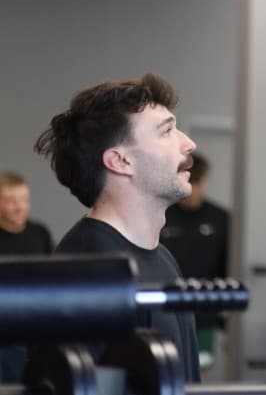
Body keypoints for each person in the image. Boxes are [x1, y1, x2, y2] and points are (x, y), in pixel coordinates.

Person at [34, 73, 201, 382]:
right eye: (166, 132)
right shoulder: (88, 269)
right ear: (120, 161)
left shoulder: (161, 256)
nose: (189, 144)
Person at [161, 152, 230, 369]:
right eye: (190, 182)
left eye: (198, 183)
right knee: (165, 372)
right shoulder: (162, 215)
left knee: (198, 373)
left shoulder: (221, 219)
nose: (193, 190)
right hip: (166, 311)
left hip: (204, 314)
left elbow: (227, 265)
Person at [0, 172, 53, 382]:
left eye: (24, 200)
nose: (20, 207)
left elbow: (51, 276)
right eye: (11, 201)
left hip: (37, 323)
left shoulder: (39, 233)